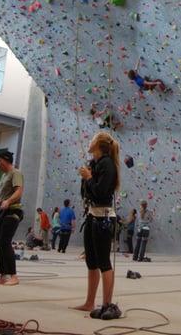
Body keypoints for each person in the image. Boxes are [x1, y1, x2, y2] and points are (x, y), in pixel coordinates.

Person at [74, 131, 121, 320]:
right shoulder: (94, 164)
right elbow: (86, 193)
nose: (89, 141)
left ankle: (107, 304)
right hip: (92, 216)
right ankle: (89, 302)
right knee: (91, 262)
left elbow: (101, 192)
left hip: (104, 218)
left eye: (92, 139)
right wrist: (86, 176)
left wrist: (88, 178)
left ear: (99, 144)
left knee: (103, 262)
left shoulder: (108, 164)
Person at [0, 151, 23, 286]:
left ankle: (14, 275)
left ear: (6, 160)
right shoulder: (4, 176)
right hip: (3, 211)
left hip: (13, 210)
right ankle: (3, 274)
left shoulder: (16, 173)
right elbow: (1, 194)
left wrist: (8, 201)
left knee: (5, 242)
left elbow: (19, 190)